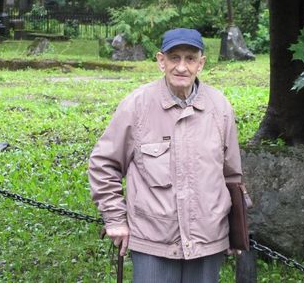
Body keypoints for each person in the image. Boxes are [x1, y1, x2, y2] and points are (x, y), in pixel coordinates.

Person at [89, 28, 242, 283]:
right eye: (174, 58)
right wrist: (115, 218)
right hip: (153, 241)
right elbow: (104, 163)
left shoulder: (220, 107)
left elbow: (232, 175)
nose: (182, 67)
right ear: (161, 61)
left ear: (201, 63)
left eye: (190, 58)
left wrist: (235, 229)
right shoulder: (137, 105)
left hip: (207, 240)